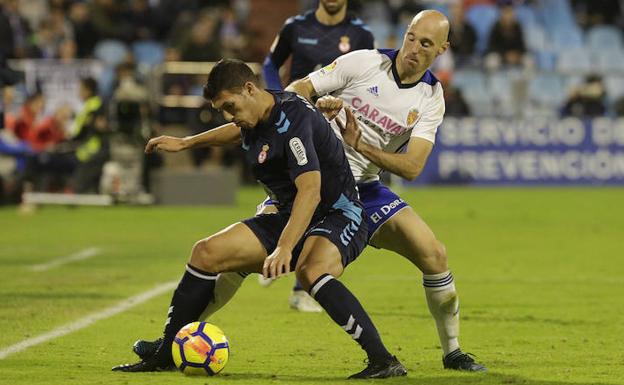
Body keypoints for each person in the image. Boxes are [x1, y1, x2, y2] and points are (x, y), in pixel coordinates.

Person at [134, 9, 487, 372]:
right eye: (411, 36)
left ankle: (453, 351)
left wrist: (361, 146)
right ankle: (175, 341)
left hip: (364, 188)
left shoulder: (430, 97)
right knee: (235, 261)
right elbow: (294, 93)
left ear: (441, 49)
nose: (413, 47)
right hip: (310, 174)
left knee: (434, 255)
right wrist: (317, 104)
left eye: (425, 43)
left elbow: (412, 167)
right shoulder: (364, 62)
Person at [112, 59, 407, 379]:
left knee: (311, 271)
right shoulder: (255, 116)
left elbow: (310, 190)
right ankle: (167, 351)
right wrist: (187, 142)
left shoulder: (292, 119)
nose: (229, 115)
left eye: (230, 106)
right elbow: (235, 132)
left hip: (338, 212)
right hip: (290, 213)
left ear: (250, 89)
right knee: (205, 253)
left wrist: (283, 247)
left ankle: (383, 360)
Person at [263, 0, 375, 312]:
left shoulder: (361, 34)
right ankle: (274, 246)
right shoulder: (295, 26)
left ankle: (299, 282)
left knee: (322, 198)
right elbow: (271, 64)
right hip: (294, 122)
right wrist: (278, 97)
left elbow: (369, 77)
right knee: (290, 192)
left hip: (335, 129)